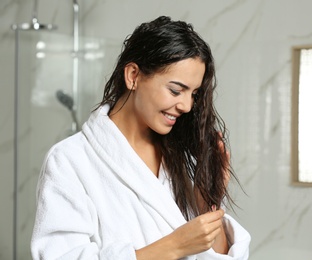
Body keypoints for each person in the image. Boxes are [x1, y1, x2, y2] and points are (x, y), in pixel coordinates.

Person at [31, 16, 250, 259]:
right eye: (176, 90)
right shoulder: (70, 160)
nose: (187, 106)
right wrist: (174, 246)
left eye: (194, 94)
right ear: (133, 75)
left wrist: (208, 203)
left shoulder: (182, 158)